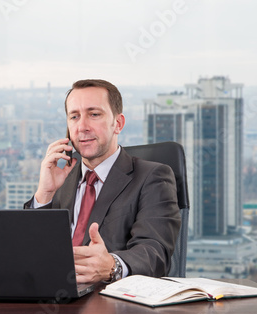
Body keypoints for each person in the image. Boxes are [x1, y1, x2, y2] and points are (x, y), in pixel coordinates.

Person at [24, 79, 181, 284]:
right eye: (74, 117)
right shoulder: (61, 179)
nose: (82, 127)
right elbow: (30, 253)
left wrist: (112, 266)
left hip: (109, 305)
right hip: (50, 299)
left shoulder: (152, 178)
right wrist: (45, 194)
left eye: (94, 114)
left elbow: (154, 253)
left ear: (118, 123)